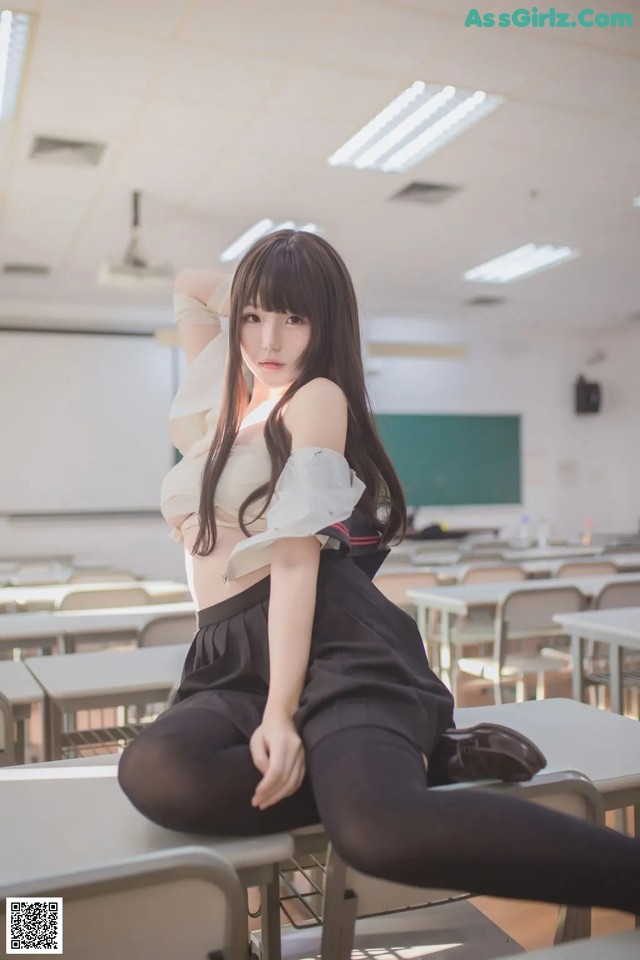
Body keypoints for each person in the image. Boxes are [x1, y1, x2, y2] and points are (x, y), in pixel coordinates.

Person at [118, 230, 640, 915]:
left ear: (325, 325)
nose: (268, 339)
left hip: (333, 647)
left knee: (376, 831)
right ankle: (407, 760)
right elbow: (188, 281)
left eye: (295, 318)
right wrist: (257, 291)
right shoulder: (222, 408)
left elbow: (298, 561)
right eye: (253, 316)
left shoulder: (316, 398)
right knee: (156, 773)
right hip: (230, 655)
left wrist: (281, 712)